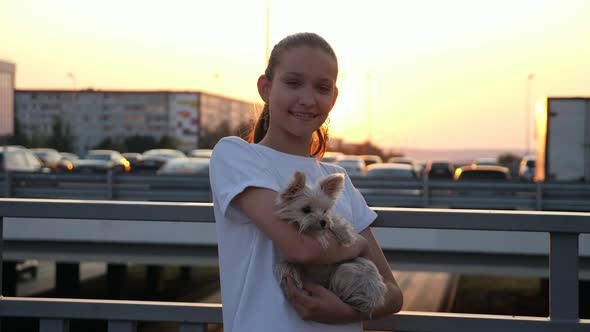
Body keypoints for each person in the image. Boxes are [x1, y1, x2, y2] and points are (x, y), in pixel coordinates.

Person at [209, 32, 403, 332]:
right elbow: (300, 250)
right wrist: (359, 244)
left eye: (322, 88)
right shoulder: (235, 155)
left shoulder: (338, 180)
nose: (308, 99)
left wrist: (345, 313)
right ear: (265, 87)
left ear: (334, 98)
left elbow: (393, 294)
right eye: (293, 82)